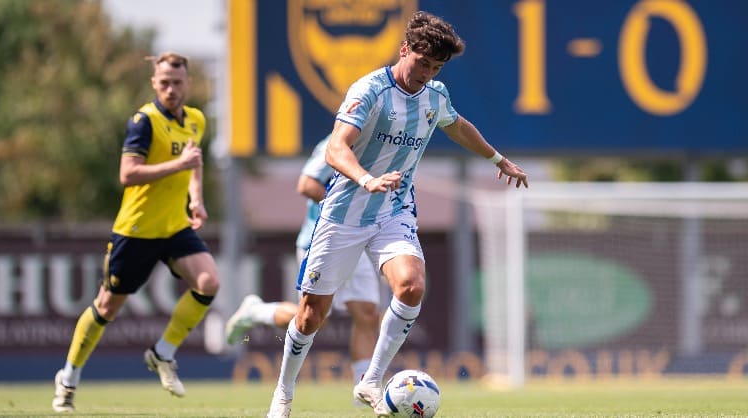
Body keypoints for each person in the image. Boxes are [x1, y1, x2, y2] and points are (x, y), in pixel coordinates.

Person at [266, 11, 528, 418]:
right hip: (344, 213)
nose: (427, 73)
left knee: (410, 286)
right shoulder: (369, 90)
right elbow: (336, 148)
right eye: (423, 63)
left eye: (436, 68)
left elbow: (457, 126)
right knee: (310, 316)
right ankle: (283, 394)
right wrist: (366, 179)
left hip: (393, 210)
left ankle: (371, 380)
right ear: (404, 49)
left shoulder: (435, 96)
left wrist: (498, 159)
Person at [52, 52, 221, 413]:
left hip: (174, 226)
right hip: (137, 229)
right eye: (164, 83)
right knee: (106, 307)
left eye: (177, 82)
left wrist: (196, 199)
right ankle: (68, 377)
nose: (171, 89)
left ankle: (163, 353)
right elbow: (127, 174)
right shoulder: (144, 122)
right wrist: (178, 164)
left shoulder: (196, 119)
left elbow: (194, 163)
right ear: (154, 84)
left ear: (188, 84)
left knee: (208, 283)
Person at [225, 136, 388, 388]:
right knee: (313, 318)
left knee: (367, 314)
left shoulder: (379, 143)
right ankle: (255, 312)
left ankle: (364, 390)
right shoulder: (334, 144)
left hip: (359, 240)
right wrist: (345, 209)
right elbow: (306, 184)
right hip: (323, 242)